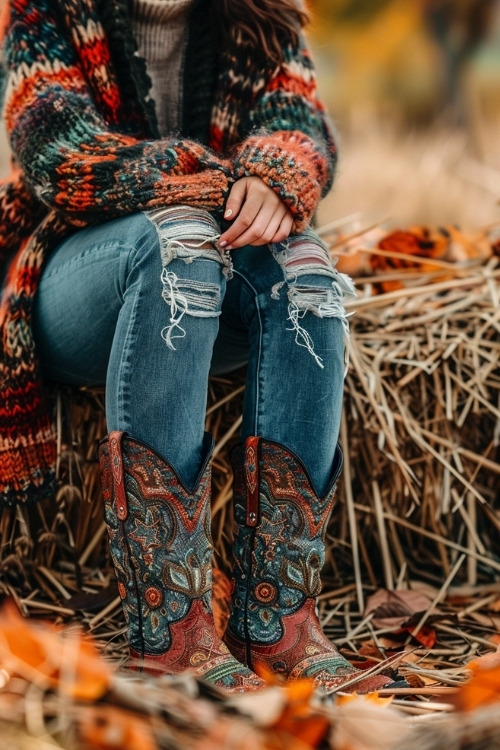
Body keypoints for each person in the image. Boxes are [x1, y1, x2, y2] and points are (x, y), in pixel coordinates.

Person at [0, 0, 397, 694]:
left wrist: (274, 177)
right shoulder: (47, 8)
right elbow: (56, 151)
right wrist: (216, 185)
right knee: (178, 242)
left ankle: (276, 626)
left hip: (220, 271)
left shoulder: (261, 14)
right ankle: (172, 633)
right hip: (77, 279)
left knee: (308, 271)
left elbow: (300, 127)